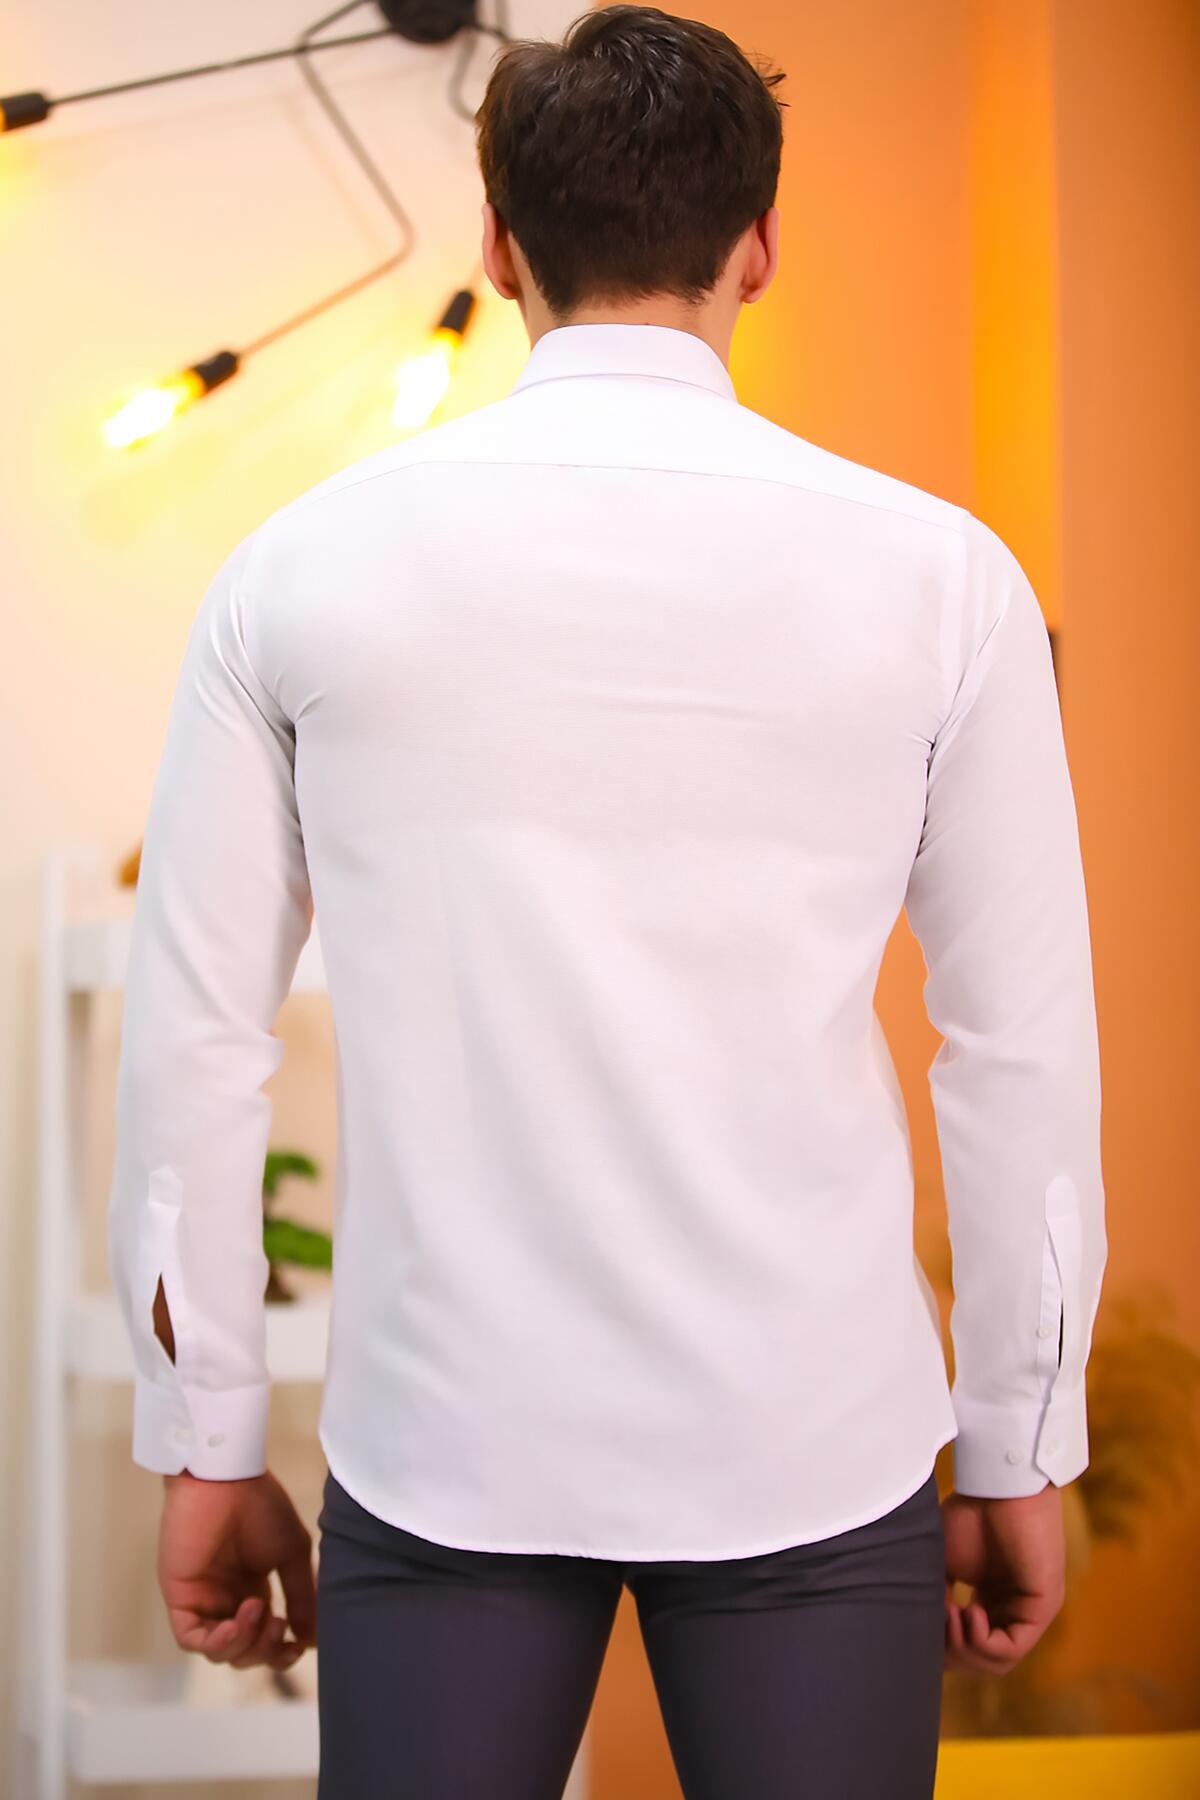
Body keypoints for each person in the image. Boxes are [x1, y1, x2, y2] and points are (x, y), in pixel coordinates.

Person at [106, 5, 1108, 1796]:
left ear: (498, 247)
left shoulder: (292, 576)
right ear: (760, 245)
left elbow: (195, 1038)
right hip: (818, 1434)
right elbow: (1017, 1051)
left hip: (443, 1442)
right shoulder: (947, 584)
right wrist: (1019, 1443)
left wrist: (208, 1437)